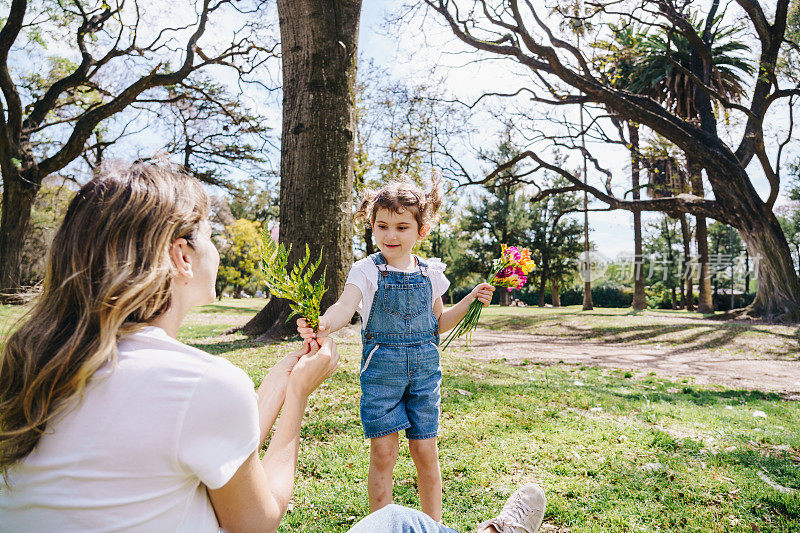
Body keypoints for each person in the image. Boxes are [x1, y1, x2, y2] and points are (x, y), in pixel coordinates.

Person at [0, 161, 339, 532]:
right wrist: (299, 397)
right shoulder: (204, 382)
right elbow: (259, 523)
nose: (216, 251)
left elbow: (204, 443)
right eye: (210, 236)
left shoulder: (31, 365)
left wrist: (278, 387)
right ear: (182, 256)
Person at [297, 174, 495, 522]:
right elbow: (345, 307)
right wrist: (324, 323)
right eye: (382, 225)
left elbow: (439, 323)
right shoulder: (366, 270)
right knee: (384, 453)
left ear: (422, 230)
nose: (391, 235)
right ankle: (383, 527)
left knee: (425, 452)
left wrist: (470, 299)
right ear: (372, 226)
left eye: (402, 227)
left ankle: (433, 526)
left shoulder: (431, 273)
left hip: (425, 373)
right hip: (381, 374)